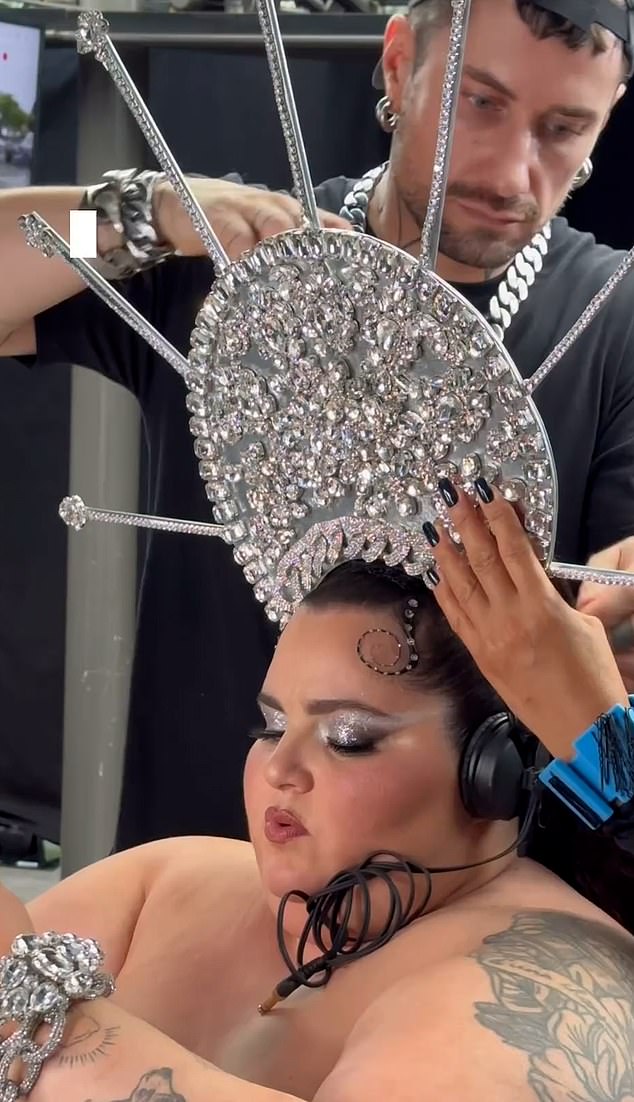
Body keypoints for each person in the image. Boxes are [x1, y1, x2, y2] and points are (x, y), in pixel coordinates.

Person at [2, 0, 634, 851]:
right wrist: (138, 218)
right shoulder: (246, 258)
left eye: (564, 128)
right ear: (400, 62)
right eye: (478, 104)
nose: (512, 174)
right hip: (193, 875)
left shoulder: (614, 323)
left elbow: (610, 662)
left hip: (458, 923)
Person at [2, 487, 634, 1102]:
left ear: (491, 769)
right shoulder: (165, 882)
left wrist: (25, 1011)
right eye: (270, 726)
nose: (280, 767)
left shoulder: (541, 970)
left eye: (347, 737)